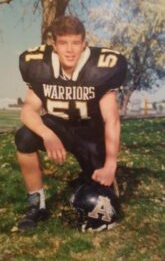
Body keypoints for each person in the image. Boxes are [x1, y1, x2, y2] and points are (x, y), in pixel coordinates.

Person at [15, 15, 127, 230]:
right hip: (57, 126)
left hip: (90, 133)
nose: (69, 50)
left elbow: (111, 119)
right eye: (63, 43)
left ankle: (88, 178)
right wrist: (47, 134)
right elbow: (28, 109)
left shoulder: (101, 67)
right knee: (25, 137)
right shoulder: (39, 65)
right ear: (54, 45)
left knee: (105, 200)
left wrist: (111, 164)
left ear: (84, 44)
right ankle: (36, 204)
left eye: (75, 43)